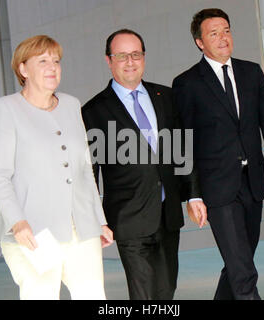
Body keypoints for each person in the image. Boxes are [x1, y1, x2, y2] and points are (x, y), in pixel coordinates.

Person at [172, 9, 264, 300]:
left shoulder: (251, 72)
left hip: (252, 183)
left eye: (226, 30)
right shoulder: (187, 83)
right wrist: (192, 195)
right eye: (213, 33)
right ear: (199, 42)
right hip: (217, 188)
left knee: (238, 262)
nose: (223, 38)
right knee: (243, 270)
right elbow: (183, 142)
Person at [0, 35, 113, 300]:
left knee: (93, 296)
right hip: (33, 231)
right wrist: (17, 222)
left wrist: (99, 220)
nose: (52, 67)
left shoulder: (71, 104)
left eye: (56, 61)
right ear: (23, 69)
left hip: (82, 227)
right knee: (41, 295)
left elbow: (84, 169)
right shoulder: (5, 109)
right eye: (42, 61)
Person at [82, 29, 206, 300]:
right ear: (108, 60)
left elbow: (181, 149)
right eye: (122, 55)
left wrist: (193, 194)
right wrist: (95, 219)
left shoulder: (166, 96)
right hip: (128, 218)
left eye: (136, 54)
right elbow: (90, 172)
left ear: (144, 58)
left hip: (168, 213)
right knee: (144, 295)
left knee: (166, 291)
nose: (130, 61)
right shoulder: (93, 111)